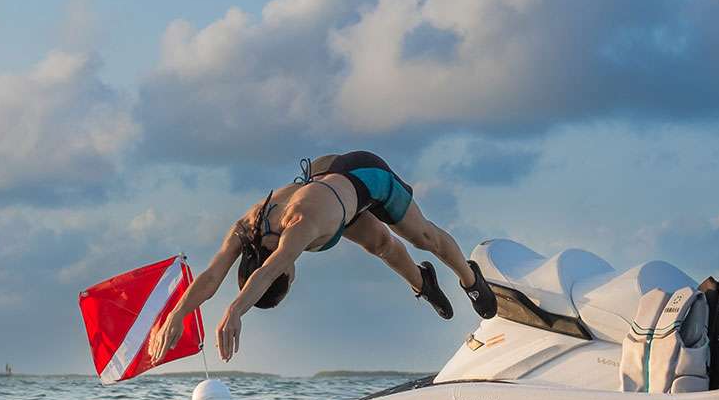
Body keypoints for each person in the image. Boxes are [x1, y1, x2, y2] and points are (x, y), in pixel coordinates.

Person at [147, 151, 498, 363]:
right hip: (332, 196)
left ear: (286, 273)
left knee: (424, 237)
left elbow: (267, 272)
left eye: (288, 279)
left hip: (363, 176)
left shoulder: (297, 228)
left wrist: (234, 311)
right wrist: (176, 314)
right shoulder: (246, 228)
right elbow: (211, 276)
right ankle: (424, 283)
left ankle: (471, 279)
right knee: (380, 245)